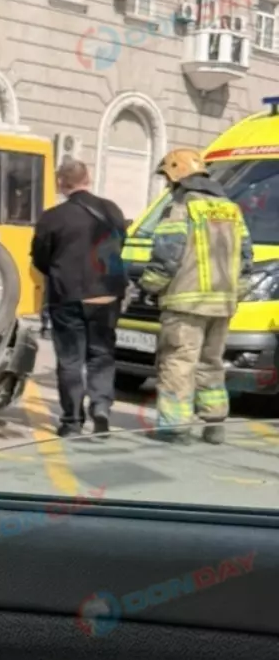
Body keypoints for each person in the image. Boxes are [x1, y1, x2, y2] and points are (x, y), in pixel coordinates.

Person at [140, 148, 252, 445]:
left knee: (178, 362)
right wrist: (234, 294)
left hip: (186, 303)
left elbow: (167, 254)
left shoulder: (182, 206)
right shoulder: (230, 208)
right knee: (210, 363)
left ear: (177, 175)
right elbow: (246, 258)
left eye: (168, 178)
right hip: (222, 303)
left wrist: (149, 286)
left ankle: (174, 427)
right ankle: (215, 423)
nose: (167, 184)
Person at [30, 160, 129, 437]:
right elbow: (121, 245)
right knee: (102, 354)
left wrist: (60, 273)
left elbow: (40, 258)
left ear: (61, 183)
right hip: (107, 294)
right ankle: (100, 406)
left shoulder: (53, 217)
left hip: (68, 295)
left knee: (71, 360)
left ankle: (72, 421)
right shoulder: (112, 210)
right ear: (88, 178)